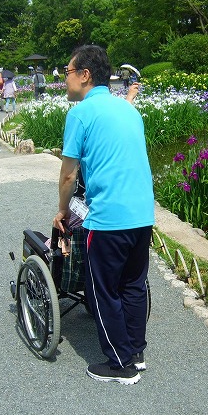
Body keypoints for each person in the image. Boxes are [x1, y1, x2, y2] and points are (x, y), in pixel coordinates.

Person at [52, 45, 155, 385]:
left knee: (102, 290)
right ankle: (135, 353)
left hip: (109, 219)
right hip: (142, 214)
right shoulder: (128, 110)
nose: (64, 78)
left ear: (84, 75)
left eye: (67, 71)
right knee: (133, 284)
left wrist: (63, 211)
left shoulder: (80, 114)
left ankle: (119, 365)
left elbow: (69, 176)